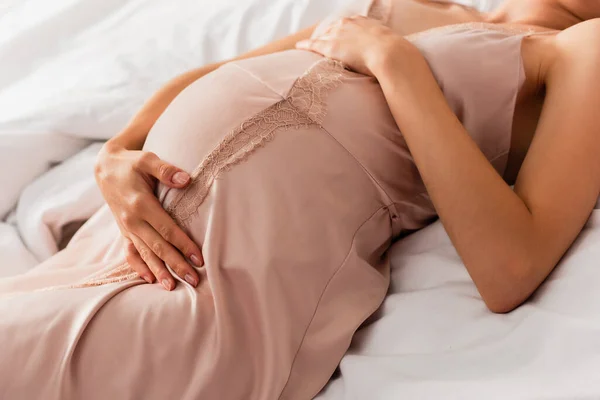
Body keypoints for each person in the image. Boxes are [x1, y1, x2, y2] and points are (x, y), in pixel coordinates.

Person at [2, 0, 599, 398]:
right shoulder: (415, 7)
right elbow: (217, 72)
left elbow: (511, 268)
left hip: (215, 284)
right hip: (120, 237)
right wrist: (117, 154)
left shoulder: (584, 49)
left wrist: (396, 64)